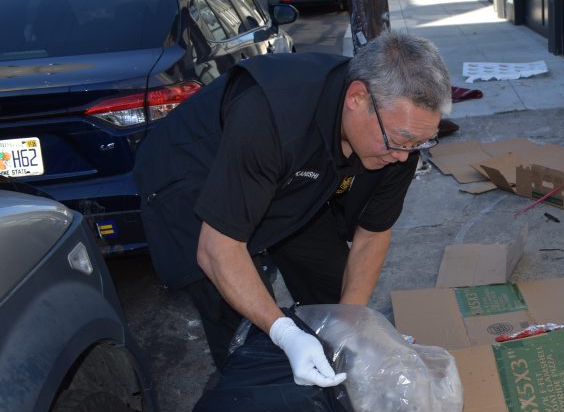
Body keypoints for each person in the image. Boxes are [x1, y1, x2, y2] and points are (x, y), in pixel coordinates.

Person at [133, 31, 451, 386]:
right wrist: (284, 333)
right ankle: (258, 403)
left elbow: (373, 233)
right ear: (358, 98)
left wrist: (347, 322)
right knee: (248, 336)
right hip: (194, 178)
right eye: (401, 141)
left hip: (293, 175)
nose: (404, 156)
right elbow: (218, 248)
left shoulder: (399, 139)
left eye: (419, 142)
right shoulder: (271, 111)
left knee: (335, 303)